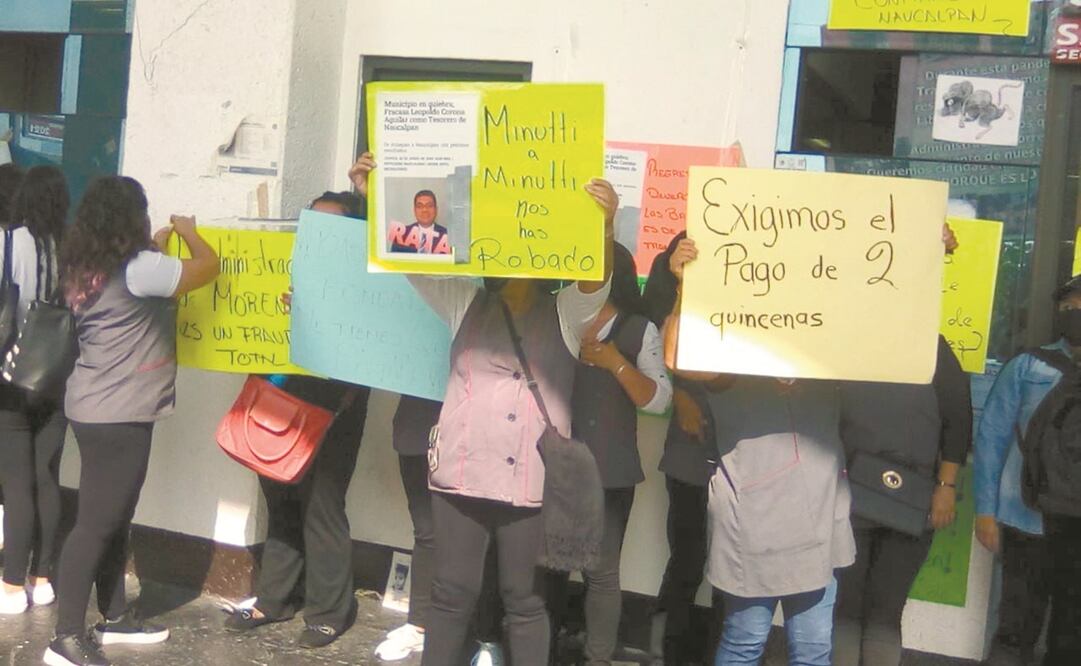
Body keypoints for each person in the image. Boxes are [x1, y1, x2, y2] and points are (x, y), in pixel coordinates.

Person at [351, 152, 617, 666]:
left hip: (530, 485)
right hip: (460, 476)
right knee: (450, 596)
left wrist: (602, 227)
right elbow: (409, 257)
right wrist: (374, 199)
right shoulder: (462, 300)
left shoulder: (564, 313)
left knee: (525, 602)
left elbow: (595, 284)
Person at [45, 176, 219, 666]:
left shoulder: (88, 265)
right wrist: (189, 231)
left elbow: (143, 283)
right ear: (132, 219)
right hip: (119, 413)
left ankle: (115, 614)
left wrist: (158, 247)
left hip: (95, 404)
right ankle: (65, 637)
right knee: (96, 524)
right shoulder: (142, 268)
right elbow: (207, 268)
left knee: (113, 515)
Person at [663, 237, 855, 666]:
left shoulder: (830, 348)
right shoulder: (730, 354)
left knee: (813, 650)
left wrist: (923, 259)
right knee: (745, 642)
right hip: (752, 525)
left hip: (820, 520)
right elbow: (676, 355)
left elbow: (893, 331)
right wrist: (685, 287)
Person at [223, 191, 371, 649]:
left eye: (332, 222)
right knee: (280, 496)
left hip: (334, 402)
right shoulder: (283, 262)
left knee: (322, 505)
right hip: (281, 396)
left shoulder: (365, 278)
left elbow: (371, 341)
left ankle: (330, 611)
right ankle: (275, 599)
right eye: (314, 220)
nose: (319, 229)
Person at [546, 242, 673, 665]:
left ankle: (597, 658)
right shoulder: (560, 315)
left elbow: (658, 401)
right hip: (555, 466)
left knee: (600, 574)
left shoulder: (639, 329)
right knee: (549, 567)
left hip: (610, 473)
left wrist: (615, 361)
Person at [834, 335, 972, 666]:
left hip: (914, 498)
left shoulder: (930, 343)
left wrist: (946, 486)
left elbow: (959, 419)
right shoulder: (843, 337)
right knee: (845, 609)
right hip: (847, 495)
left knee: (885, 610)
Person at [974, 276, 1081, 666]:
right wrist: (985, 511)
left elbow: (990, 437)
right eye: (1068, 307)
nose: (1074, 313)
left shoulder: (1029, 365)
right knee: (1018, 627)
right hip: (1024, 519)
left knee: (1066, 637)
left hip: (1036, 519)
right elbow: (992, 439)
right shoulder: (1026, 365)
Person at [643, 231, 724, 665]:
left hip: (747, 445)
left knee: (737, 567)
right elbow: (650, 342)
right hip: (691, 448)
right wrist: (683, 394)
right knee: (688, 558)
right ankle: (663, 654)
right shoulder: (681, 250)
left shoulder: (771, 255)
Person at [0, 166, 70, 615]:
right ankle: (43, 578)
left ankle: (9, 585)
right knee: (47, 478)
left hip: (10, 376)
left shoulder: (8, 241)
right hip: (56, 376)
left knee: (16, 483)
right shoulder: (70, 249)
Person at [389, 190, 450, 254]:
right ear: (414, 210)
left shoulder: (448, 236)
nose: (425, 210)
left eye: (429, 205)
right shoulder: (400, 236)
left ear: (436, 210)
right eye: (419, 206)